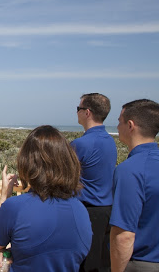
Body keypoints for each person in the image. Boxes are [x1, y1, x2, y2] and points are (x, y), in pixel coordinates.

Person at [0, 125, 92, 272]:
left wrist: (4, 196)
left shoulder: (15, 207)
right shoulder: (80, 210)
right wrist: (11, 251)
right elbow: (50, 251)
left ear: (27, 163)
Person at [110, 99, 159, 272]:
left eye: (119, 121)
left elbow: (124, 235)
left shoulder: (130, 170)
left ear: (130, 125)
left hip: (141, 262)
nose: (117, 127)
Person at [71, 93, 117, 272]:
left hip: (87, 211)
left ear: (87, 112)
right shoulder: (110, 141)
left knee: (85, 264)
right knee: (101, 263)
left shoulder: (81, 144)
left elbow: (60, 174)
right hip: (108, 211)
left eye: (78, 109)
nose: (77, 113)